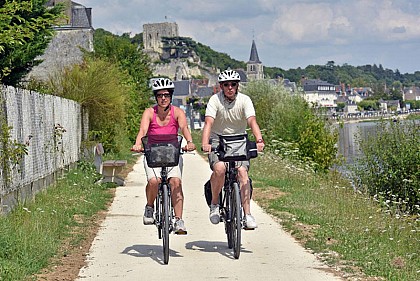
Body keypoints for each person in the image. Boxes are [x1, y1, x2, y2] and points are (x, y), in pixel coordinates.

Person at [201, 69, 265, 229]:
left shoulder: (245, 100)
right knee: (220, 168)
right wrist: (205, 143)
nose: (230, 88)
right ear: (221, 86)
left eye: (233, 85)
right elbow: (208, 122)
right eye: (226, 85)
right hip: (218, 138)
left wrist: (259, 140)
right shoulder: (214, 100)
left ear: (237, 86)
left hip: (239, 139)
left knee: (242, 173)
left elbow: (252, 121)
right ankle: (215, 204)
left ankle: (247, 215)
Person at [131, 77, 196, 235]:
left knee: (175, 182)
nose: (163, 98)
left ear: (171, 96)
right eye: (160, 95)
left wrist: (190, 141)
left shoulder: (177, 112)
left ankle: (179, 220)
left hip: (172, 152)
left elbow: (184, 128)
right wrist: (138, 144)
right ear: (156, 97)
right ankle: (149, 207)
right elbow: (143, 131)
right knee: (154, 181)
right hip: (153, 153)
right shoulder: (149, 112)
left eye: (166, 95)